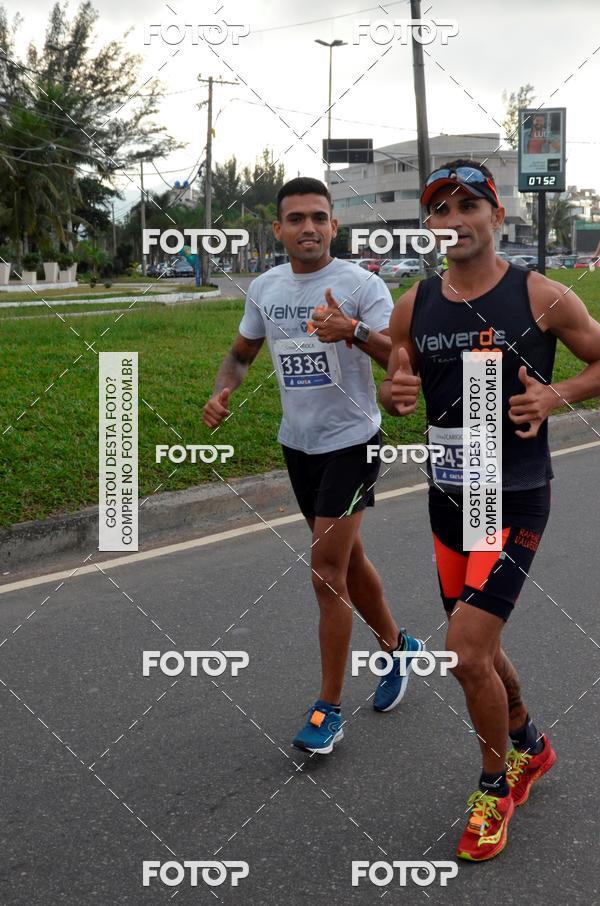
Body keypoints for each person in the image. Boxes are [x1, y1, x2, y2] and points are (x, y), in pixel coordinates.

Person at [380, 160, 600, 860]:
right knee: (478, 647)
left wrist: (556, 396)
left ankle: (493, 787)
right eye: (440, 209)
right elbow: (398, 376)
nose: (455, 219)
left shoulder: (541, 296)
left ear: (497, 216)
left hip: (517, 494)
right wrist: (395, 394)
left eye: (468, 205)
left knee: (466, 650)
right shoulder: (414, 304)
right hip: (451, 496)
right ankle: (529, 743)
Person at [203, 177, 423, 755]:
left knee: (325, 571)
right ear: (278, 229)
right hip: (297, 445)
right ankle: (399, 647)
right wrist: (224, 390)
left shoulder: (362, 284)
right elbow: (241, 354)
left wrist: (352, 330)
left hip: (353, 441)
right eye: (296, 218)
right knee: (346, 559)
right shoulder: (265, 287)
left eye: (319, 217)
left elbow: (401, 359)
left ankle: (328, 709)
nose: (309, 227)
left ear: (334, 226)